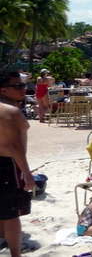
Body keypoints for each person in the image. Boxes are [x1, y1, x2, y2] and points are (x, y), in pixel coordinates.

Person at [0, 71, 34, 257]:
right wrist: (27, 173)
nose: (24, 89)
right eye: (18, 86)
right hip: (7, 165)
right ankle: (15, 254)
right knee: (11, 214)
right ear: (4, 90)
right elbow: (15, 145)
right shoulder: (10, 112)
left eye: (23, 85)